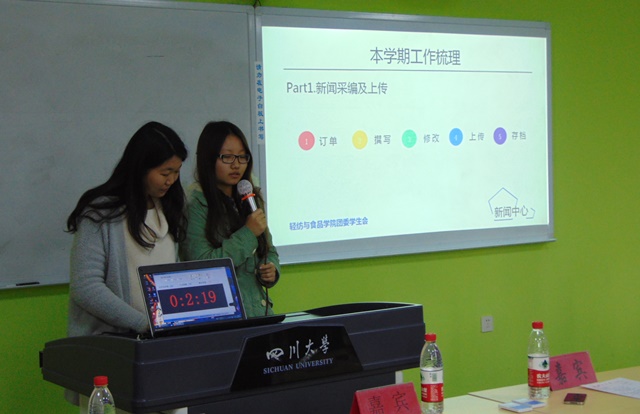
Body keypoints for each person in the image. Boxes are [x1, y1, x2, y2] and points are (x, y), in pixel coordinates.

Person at [66, 121, 188, 338]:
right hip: (112, 342)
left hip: (160, 338)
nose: (171, 180)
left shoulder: (169, 208)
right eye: (165, 173)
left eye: (176, 172)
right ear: (141, 168)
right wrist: (143, 324)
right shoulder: (101, 215)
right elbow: (85, 287)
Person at [180, 121, 279, 317]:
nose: (236, 165)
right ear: (209, 158)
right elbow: (201, 266)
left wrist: (271, 270)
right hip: (222, 317)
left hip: (259, 312)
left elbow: (269, 250)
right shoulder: (196, 205)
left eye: (242, 157)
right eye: (227, 157)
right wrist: (248, 233)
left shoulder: (250, 198)